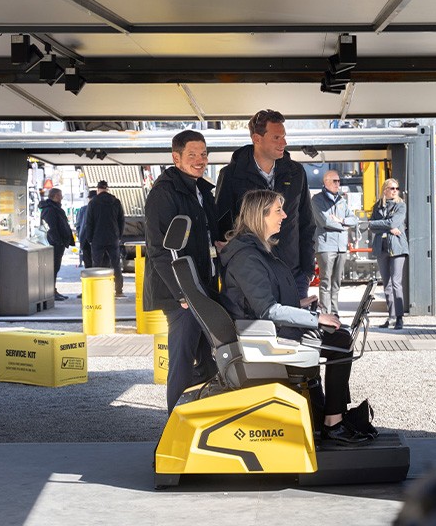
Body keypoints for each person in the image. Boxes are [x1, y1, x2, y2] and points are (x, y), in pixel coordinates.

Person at [219, 189, 370, 445]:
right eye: (278, 211)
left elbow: (259, 301)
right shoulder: (247, 256)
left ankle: (327, 414)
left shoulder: (255, 249)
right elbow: (266, 310)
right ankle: (333, 422)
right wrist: (315, 319)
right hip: (261, 335)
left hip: (265, 328)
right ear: (260, 216)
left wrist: (300, 304)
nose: (284, 216)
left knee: (340, 336)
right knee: (339, 342)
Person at [144, 130, 219, 411]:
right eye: (192, 155)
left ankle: (198, 424)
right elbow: (159, 249)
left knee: (208, 361)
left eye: (203, 154)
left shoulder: (201, 190)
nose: (200, 160)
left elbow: (212, 237)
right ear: (176, 158)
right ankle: (174, 428)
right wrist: (182, 294)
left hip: (202, 288)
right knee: (183, 361)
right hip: (182, 296)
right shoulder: (164, 193)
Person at [215, 109, 315, 299]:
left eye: (284, 137)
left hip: (293, 274)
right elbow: (222, 228)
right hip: (251, 275)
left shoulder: (296, 173)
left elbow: (307, 223)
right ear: (257, 138)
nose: (283, 143)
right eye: (276, 137)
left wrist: (307, 271)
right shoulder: (231, 175)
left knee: (293, 327)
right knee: (261, 328)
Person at [311, 170, 358, 315]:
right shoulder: (317, 200)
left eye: (339, 181)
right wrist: (344, 226)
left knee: (336, 283)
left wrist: (341, 221)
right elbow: (324, 221)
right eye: (335, 181)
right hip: (326, 246)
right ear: (326, 182)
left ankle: (335, 313)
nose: (338, 184)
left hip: (341, 247)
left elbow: (354, 220)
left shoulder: (341, 200)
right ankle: (326, 314)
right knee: (325, 282)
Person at [368, 178, 408, 330]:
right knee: (387, 284)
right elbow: (371, 225)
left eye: (396, 188)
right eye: (391, 188)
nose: (394, 191)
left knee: (396, 283)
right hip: (381, 247)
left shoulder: (400, 205)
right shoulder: (378, 206)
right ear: (385, 189)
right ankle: (390, 317)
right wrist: (388, 227)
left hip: (397, 247)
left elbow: (393, 222)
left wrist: (384, 226)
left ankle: (399, 318)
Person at [82, 180, 126, 297]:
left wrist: (90, 239)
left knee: (97, 265)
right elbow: (121, 220)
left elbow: (89, 222)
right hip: (113, 238)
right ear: (107, 189)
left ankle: (98, 290)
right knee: (116, 265)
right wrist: (119, 236)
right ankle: (119, 290)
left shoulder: (93, 203)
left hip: (97, 239)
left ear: (98, 189)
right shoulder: (115, 202)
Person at [39, 188, 75, 301]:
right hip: (54, 244)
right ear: (54, 196)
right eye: (60, 195)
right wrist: (58, 241)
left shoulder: (55, 208)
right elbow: (51, 228)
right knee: (53, 268)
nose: (61, 197)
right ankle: (51, 292)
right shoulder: (50, 210)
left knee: (55, 267)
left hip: (58, 243)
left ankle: (53, 290)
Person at [76, 189, 97, 270]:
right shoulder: (100, 209)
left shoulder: (83, 209)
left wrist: (80, 237)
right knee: (98, 263)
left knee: (88, 264)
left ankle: (90, 280)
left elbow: (78, 225)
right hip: (97, 240)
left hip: (85, 239)